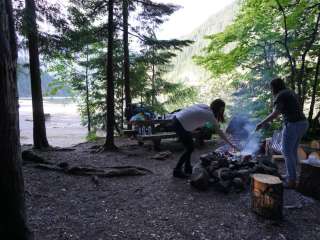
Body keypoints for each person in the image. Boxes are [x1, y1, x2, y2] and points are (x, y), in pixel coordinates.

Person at [256, 78, 309, 188]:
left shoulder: (281, 95)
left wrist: (261, 123)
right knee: (292, 151)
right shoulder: (289, 92)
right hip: (303, 123)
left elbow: (276, 113)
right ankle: (291, 176)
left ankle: (291, 181)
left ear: (274, 87)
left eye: (271, 88)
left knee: (286, 152)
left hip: (293, 124)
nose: (271, 90)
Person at [171, 99, 238, 178]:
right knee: (190, 148)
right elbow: (219, 132)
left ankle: (187, 168)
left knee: (190, 147)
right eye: (222, 109)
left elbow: (193, 115)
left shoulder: (205, 106)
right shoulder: (209, 115)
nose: (222, 111)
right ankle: (177, 170)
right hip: (180, 124)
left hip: (177, 120)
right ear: (219, 108)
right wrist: (231, 144)